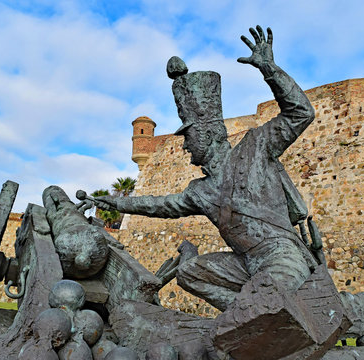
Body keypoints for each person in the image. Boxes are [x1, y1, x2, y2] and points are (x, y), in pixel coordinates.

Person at [91, 26, 317, 311]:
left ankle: (254, 316)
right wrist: (109, 201)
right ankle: (243, 316)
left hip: (283, 255)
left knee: (269, 298)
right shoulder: (200, 192)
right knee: (189, 273)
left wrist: (269, 69)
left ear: (208, 133)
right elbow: (157, 205)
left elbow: (301, 113)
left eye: (187, 136)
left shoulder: (256, 147)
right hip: (246, 263)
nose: (184, 147)